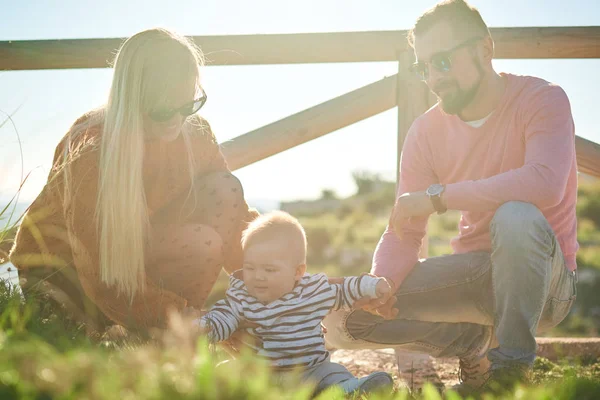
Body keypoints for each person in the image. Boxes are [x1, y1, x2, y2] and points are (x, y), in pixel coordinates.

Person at [322, 0, 578, 395]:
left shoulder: (542, 98)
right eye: (422, 68)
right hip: (473, 275)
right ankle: (474, 347)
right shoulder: (425, 132)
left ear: (484, 49)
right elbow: (404, 229)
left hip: (547, 284)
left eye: (442, 62)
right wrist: (379, 286)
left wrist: (439, 197)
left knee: (515, 217)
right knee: (340, 317)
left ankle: (508, 374)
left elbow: (545, 183)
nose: (433, 78)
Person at [9, 28, 258, 333]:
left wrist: (282, 294)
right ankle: (173, 328)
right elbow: (100, 274)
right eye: (164, 109)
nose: (177, 120)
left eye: (189, 105)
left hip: (138, 257)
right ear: (133, 99)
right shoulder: (91, 148)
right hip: (66, 277)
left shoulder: (196, 134)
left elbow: (238, 224)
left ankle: (165, 335)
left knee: (224, 189)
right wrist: (193, 324)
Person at [196, 211, 395, 396]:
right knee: (226, 371)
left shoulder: (312, 290)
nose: (258, 276)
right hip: (263, 374)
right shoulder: (241, 297)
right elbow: (222, 318)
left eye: (269, 270)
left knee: (333, 372)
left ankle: (348, 389)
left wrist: (372, 285)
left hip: (312, 370)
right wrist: (204, 328)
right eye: (250, 267)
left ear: (297, 272)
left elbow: (344, 289)